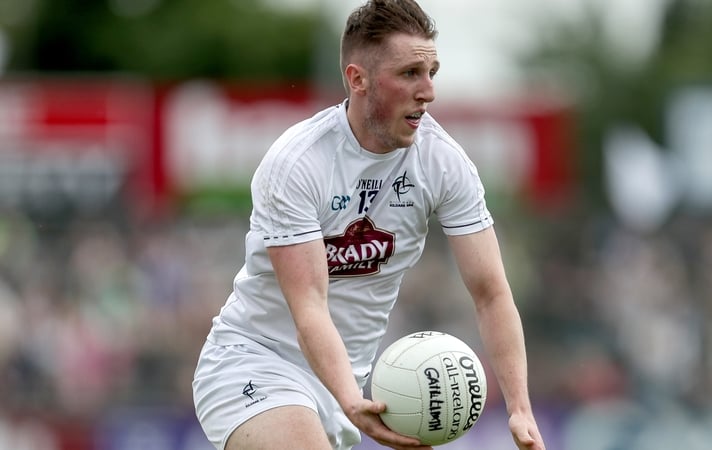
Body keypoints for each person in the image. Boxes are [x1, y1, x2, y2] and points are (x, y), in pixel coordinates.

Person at [192, 0, 547, 449]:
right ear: (357, 79)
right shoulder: (297, 163)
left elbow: (490, 292)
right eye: (410, 73)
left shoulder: (444, 163)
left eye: (432, 73)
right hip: (255, 362)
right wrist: (349, 399)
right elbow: (310, 307)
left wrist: (520, 408)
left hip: (342, 384)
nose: (428, 91)